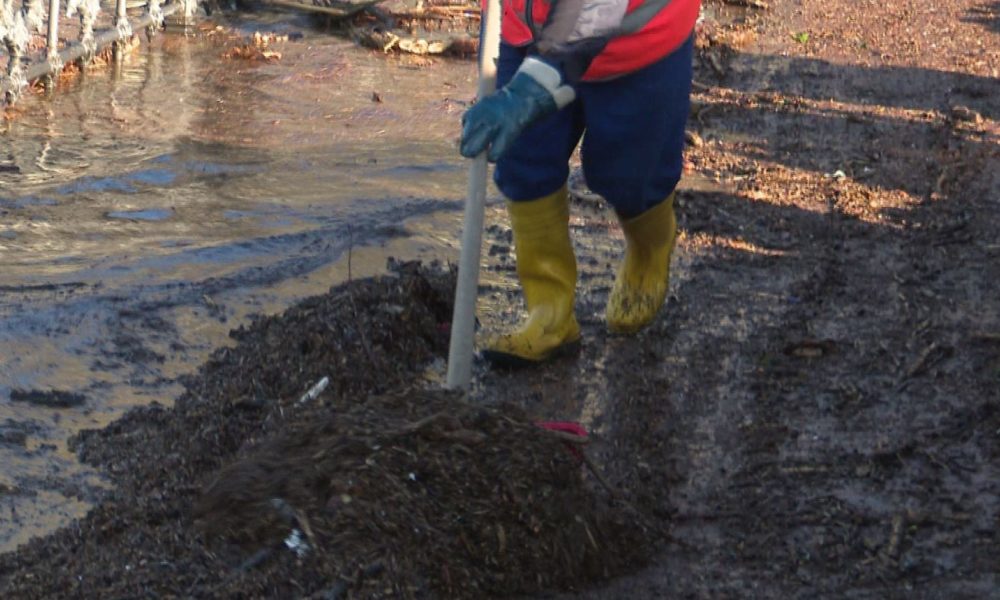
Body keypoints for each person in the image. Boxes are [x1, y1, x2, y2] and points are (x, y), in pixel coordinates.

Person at [460, 0, 701, 366]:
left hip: (637, 43)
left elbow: (592, 11)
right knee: (524, 163)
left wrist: (527, 91)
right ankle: (549, 311)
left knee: (630, 176)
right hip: (526, 28)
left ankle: (650, 249)